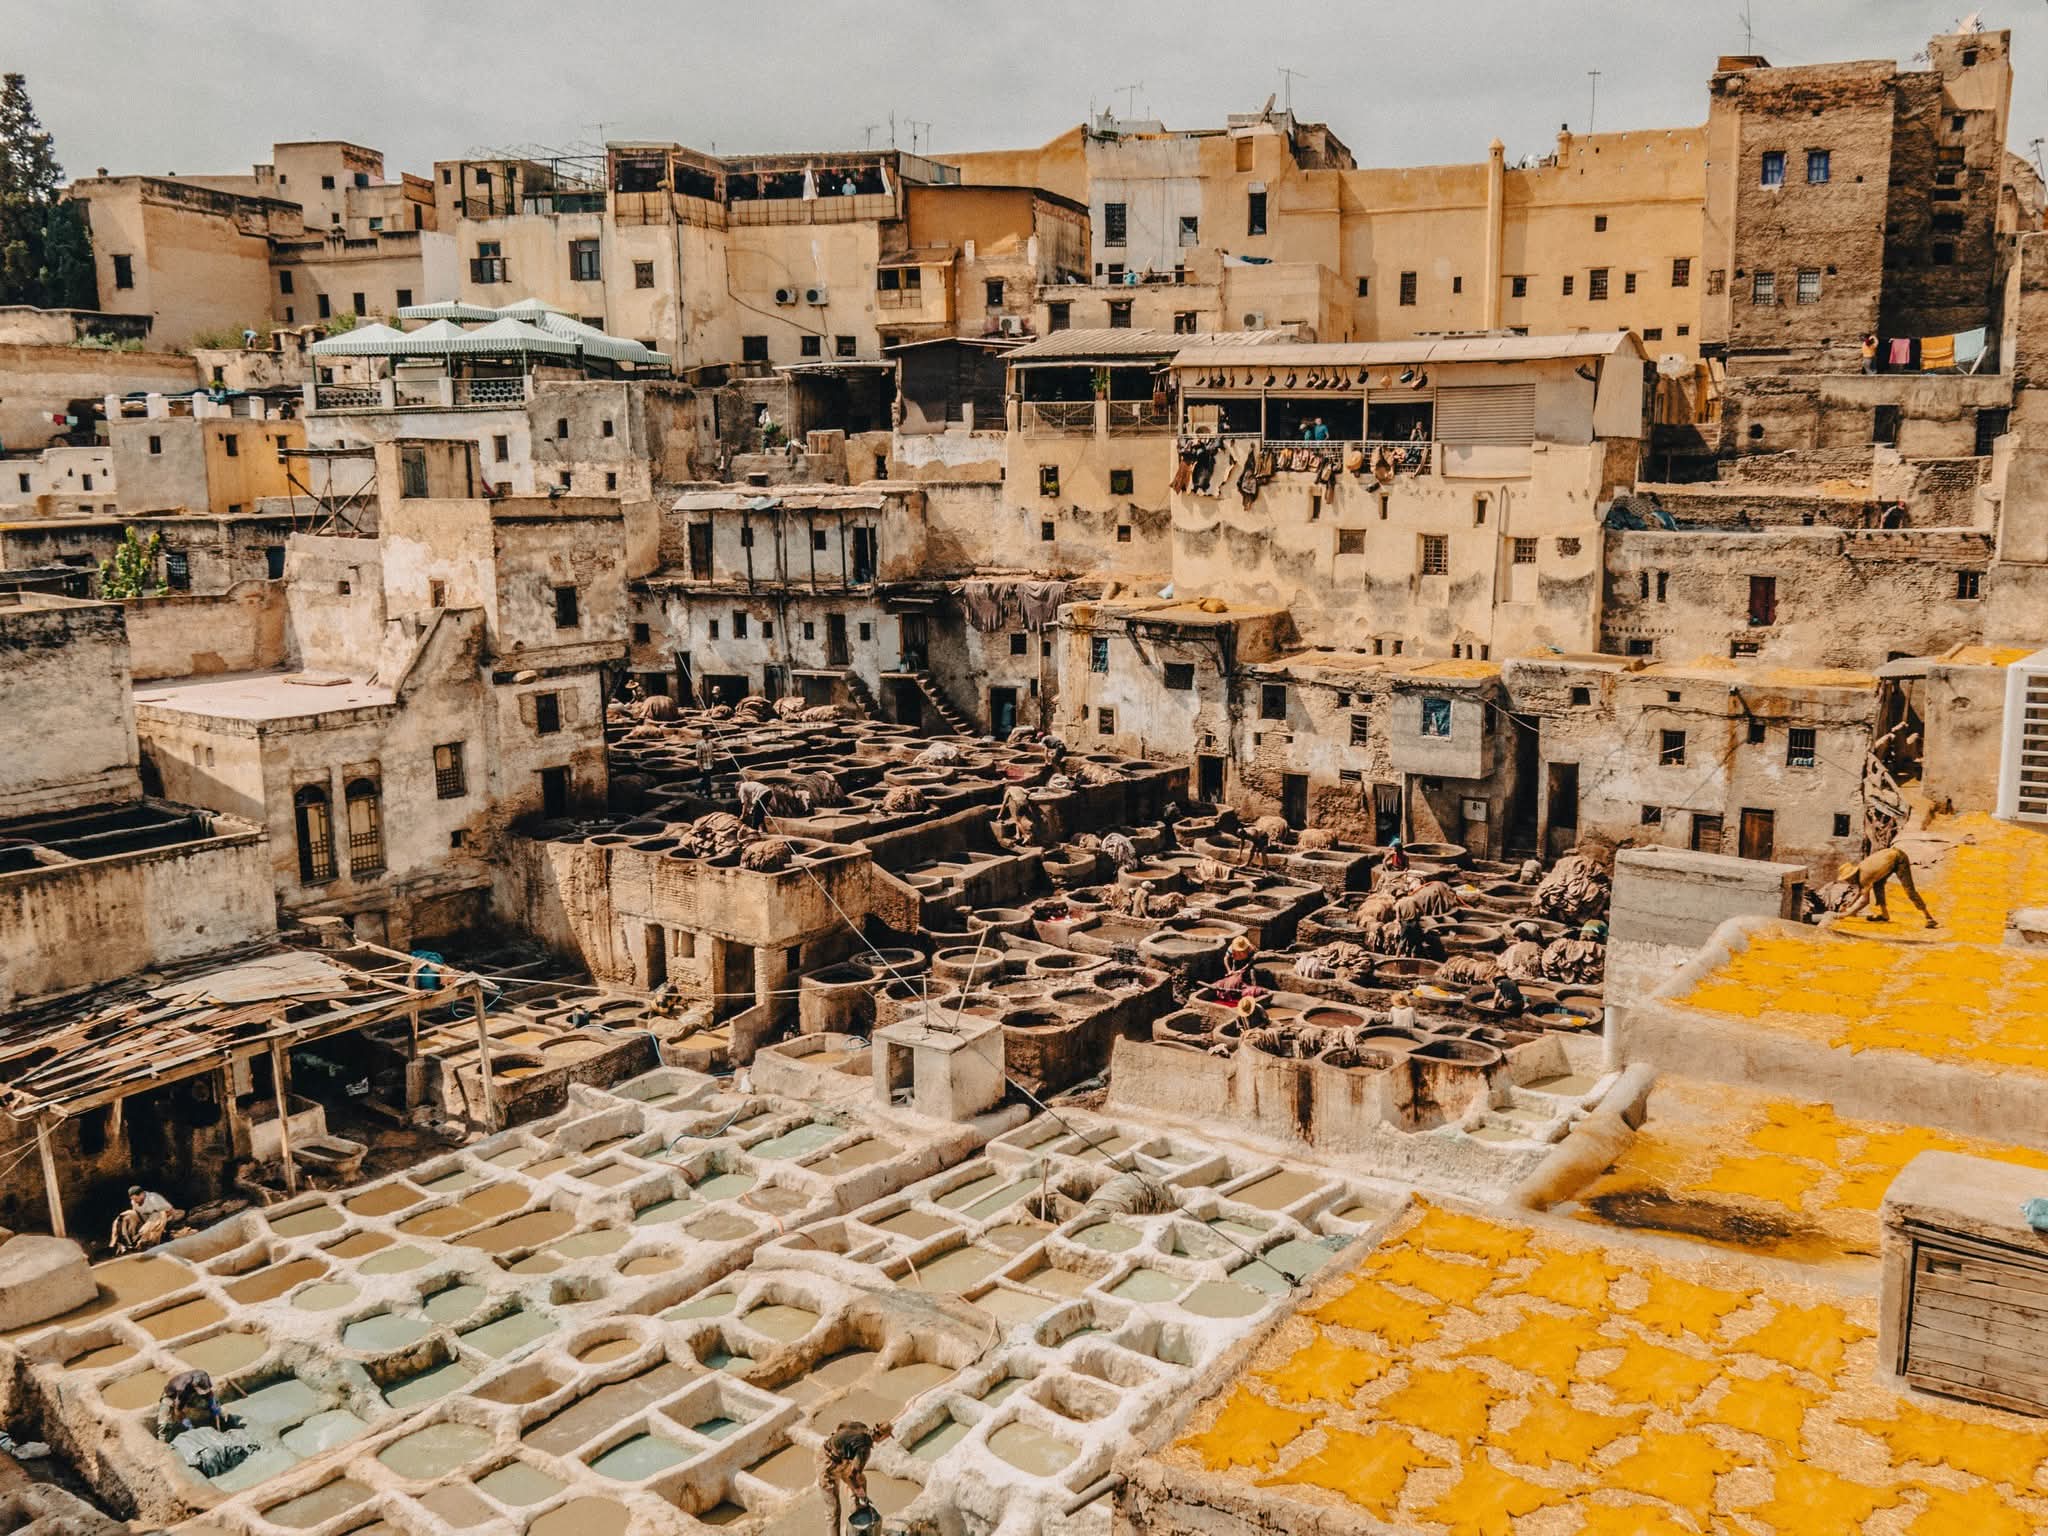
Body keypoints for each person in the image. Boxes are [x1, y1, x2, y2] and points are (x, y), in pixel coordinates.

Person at [819, 1420, 893, 1532]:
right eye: (887, 1437)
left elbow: (841, 1425)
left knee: (862, 1480)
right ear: (882, 1436)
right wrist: (860, 1493)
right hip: (827, 1463)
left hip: (839, 1458)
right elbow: (852, 1476)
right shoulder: (864, 1449)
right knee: (834, 1511)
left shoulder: (861, 1426)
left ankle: (856, 1508)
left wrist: (841, 1445)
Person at [1838, 846, 1937, 928]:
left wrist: (1846, 914)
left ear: (1853, 875)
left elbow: (1865, 900)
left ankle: (1929, 918)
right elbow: (1861, 891)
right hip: (1890, 858)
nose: (1848, 881)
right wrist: (1849, 905)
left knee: (1909, 890)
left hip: (1899, 859)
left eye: (1848, 878)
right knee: (1878, 884)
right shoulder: (1861, 871)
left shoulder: (1864, 877)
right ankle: (1885, 915)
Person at [157, 1371, 239, 1441]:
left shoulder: (203, 1376)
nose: (204, 1393)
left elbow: (210, 1394)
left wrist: (216, 1410)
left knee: (215, 1408)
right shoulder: (181, 1389)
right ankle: (163, 1440)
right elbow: (177, 1411)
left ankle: (222, 1423)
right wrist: (189, 1427)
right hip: (172, 1396)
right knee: (165, 1422)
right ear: (194, 1385)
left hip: (191, 1394)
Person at [111, 1187, 177, 1254]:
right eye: (132, 1199)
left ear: (142, 1194)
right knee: (127, 1215)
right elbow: (136, 1214)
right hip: (144, 1221)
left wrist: (154, 1226)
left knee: (157, 1214)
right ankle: (126, 1243)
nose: (135, 1201)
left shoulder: (153, 1198)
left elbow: (169, 1211)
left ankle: (147, 1242)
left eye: (136, 1199)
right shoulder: (133, 1202)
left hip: (161, 1221)